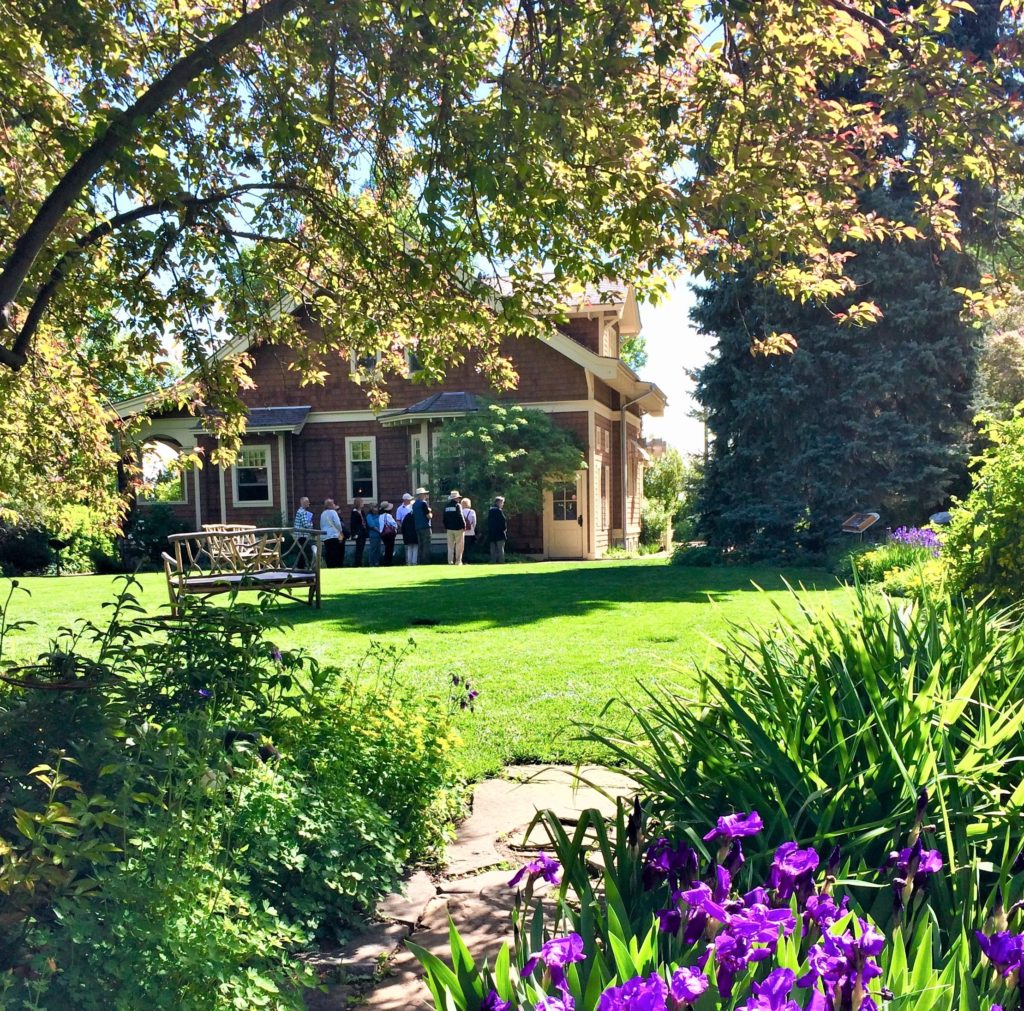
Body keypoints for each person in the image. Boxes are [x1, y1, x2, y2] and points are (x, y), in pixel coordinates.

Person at [320, 497, 346, 568]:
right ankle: (335, 566)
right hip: (333, 535)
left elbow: (321, 525)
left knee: (328, 552)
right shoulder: (333, 512)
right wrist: (340, 531)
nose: (334, 505)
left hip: (326, 536)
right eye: (333, 503)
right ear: (330, 505)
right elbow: (338, 524)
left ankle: (329, 566)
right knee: (335, 552)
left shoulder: (323, 513)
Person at [443, 489, 467, 565]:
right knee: (459, 545)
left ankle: (450, 561)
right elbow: (460, 516)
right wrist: (464, 525)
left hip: (449, 529)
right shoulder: (458, 505)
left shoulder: (446, 506)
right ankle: (458, 561)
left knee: (450, 546)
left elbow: (444, 518)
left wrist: (446, 526)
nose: (459, 499)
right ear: (456, 498)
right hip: (458, 528)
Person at [413, 487, 432, 563]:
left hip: (417, 527)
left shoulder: (414, 504)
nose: (425, 495)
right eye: (424, 494)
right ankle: (425, 561)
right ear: (421, 495)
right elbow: (428, 516)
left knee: (420, 545)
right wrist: (430, 512)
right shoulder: (423, 503)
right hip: (425, 527)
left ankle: (419, 561)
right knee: (426, 544)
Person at [294, 496, 314, 568]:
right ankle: (302, 567)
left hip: (299, 535)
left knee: (301, 552)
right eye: (307, 501)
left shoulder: (300, 511)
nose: (309, 503)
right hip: (302, 535)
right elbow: (305, 524)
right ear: (304, 503)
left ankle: (301, 566)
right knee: (303, 552)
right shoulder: (302, 512)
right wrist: (311, 524)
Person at [488, 496, 508, 563]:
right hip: (500, 533)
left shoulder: (490, 511)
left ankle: (493, 561)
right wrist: (504, 529)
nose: (503, 504)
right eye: (502, 503)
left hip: (492, 533)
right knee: (500, 549)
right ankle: (501, 561)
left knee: (493, 549)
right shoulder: (499, 511)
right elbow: (503, 521)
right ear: (498, 502)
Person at [378, 501, 398, 566]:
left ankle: (386, 562)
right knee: (390, 549)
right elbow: (394, 524)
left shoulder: (380, 516)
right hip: (389, 534)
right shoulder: (388, 515)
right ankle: (389, 562)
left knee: (387, 548)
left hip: (383, 534)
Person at [350, 497, 367, 567]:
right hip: (358, 533)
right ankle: (357, 563)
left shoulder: (362, 512)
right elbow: (353, 524)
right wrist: (354, 533)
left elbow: (364, 521)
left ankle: (360, 563)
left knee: (361, 548)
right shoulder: (354, 512)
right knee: (359, 548)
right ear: (358, 503)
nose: (363, 503)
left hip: (363, 532)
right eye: (362, 502)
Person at [366, 502, 382, 566]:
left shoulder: (378, 515)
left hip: (379, 535)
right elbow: (372, 525)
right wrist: (379, 531)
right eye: (375, 507)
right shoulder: (369, 516)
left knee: (378, 549)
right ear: (371, 508)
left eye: (377, 507)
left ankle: (377, 562)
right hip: (373, 535)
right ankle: (371, 563)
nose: (377, 509)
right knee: (373, 549)